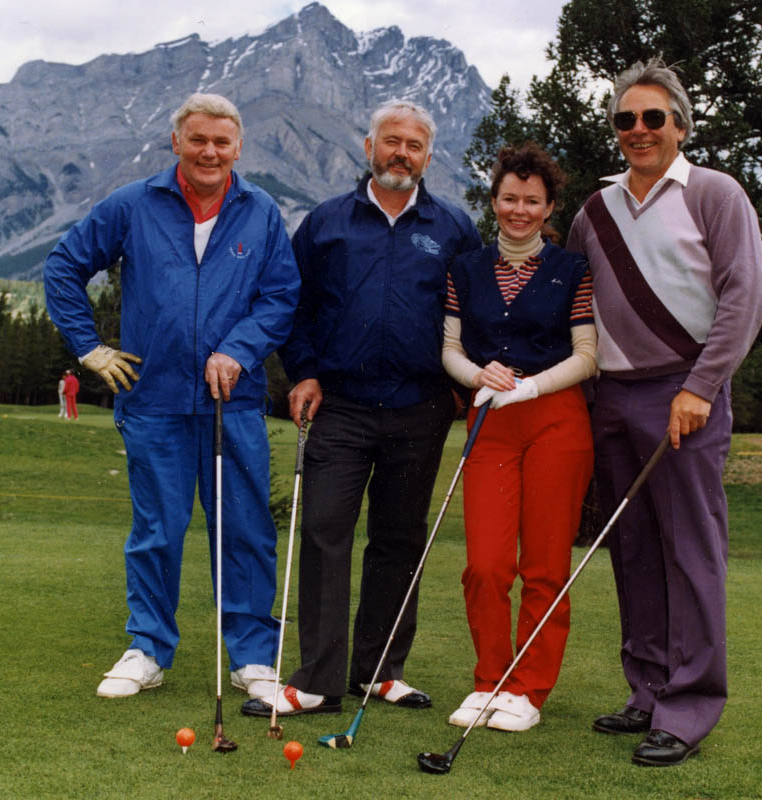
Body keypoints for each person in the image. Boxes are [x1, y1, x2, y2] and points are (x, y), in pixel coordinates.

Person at [44, 92, 300, 700]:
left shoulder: (261, 211)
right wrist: (89, 347)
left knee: (243, 531)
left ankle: (252, 659)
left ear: (238, 148)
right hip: (151, 398)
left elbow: (281, 297)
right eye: (198, 140)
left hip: (231, 404)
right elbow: (63, 266)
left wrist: (238, 350)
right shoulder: (133, 204)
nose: (209, 152)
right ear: (176, 143)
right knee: (156, 530)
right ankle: (148, 649)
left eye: (221, 142)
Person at [243, 99, 481, 719]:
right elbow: (293, 308)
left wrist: (464, 381)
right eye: (392, 142)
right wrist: (306, 372)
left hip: (421, 407)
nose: (402, 153)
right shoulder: (326, 223)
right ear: (369, 146)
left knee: (398, 540)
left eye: (415, 146)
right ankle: (318, 680)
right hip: (341, 406)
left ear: (428, 157)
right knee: (324, 533)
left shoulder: (453, 228)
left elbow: (476, 312)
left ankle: (379, 671)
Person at [566, 57, 762, 766]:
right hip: (612, 396)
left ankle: (688, 708)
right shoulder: (595, 211)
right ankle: (647, 690)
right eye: (626, 119)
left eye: (654, 117)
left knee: (691, 552)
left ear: (680, 123)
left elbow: (745, 299)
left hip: (685, 390)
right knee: (635, 549)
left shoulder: (714, 193)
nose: (639, 130)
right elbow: (576, 307)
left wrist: (702, 386)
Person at [440, 143, 596, 733]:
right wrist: (477, 375)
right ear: (495, 200)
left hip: (557, 421)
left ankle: (527, 690)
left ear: (550, 205)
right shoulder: (466, 268)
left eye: (533, 200)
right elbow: (450, 349)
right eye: (510, 198)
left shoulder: (572, 270)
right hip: (491, 423)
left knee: (545, 565)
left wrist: (530, 388)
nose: (519, 210)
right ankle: (489, 681)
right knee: (485, 564)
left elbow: (588, 355)